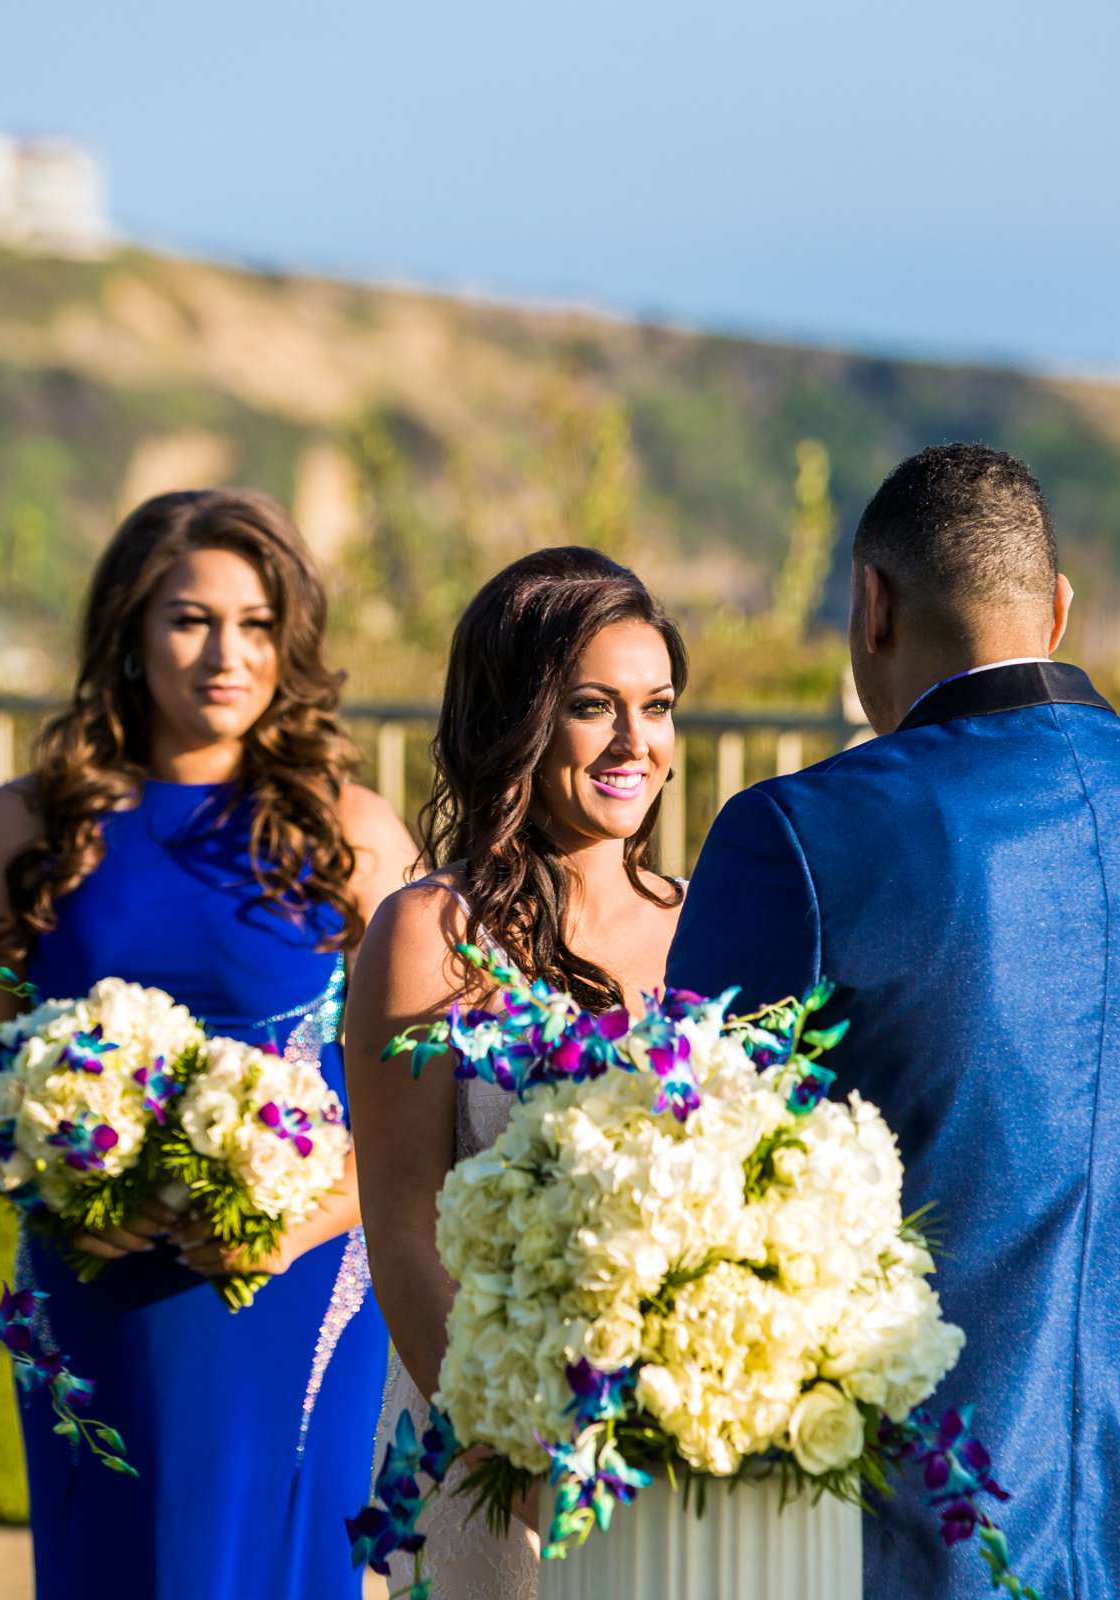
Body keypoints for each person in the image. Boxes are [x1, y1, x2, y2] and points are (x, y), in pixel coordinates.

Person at [666, 444, 1120, 1600]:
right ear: (1059, 610)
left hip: (886, 1529)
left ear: (871, 606)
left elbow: (696, 1186)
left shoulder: (798, 834)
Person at [0, 488, 415, 1598]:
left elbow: (417, 1104)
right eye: (191, 618)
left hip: (300, 1290)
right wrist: (66, 1189)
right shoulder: (26, 826)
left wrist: (295, 1221)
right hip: (96, 1289)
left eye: (255, 622)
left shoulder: (353, 830)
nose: (226, 653)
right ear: (132, 632)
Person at [344, 546, 691, 1599]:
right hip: (485, 1447)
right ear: (520, 719)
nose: (637, 743)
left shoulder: (706, 921)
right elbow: (400, 1227)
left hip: (665, 1446)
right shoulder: (427, 933)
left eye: (659, 704)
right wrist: (515, 1440)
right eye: (596, 706)